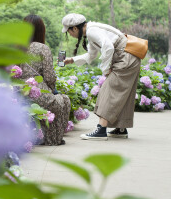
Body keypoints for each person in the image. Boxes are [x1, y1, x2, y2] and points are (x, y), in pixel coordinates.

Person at [61, 13, 141, 140]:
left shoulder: (92, 31)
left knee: (108, 90)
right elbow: (91, 56)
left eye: (69, 32)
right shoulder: (91, 32)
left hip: (126, 58)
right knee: (121, 93)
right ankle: (121, 128)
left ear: (75, 28)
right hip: (128, 57)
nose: (70, 35)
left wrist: (105, 69)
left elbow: (108, 47)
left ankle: (101, 130)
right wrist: (71, 60)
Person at [20, 14, 71, 146]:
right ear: (40, 31)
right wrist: (52, 89)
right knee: (63, 100)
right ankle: (52, 139)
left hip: (18, 92)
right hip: (37, 92)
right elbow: (49, 76)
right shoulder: (42, 48)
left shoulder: (16, 47)